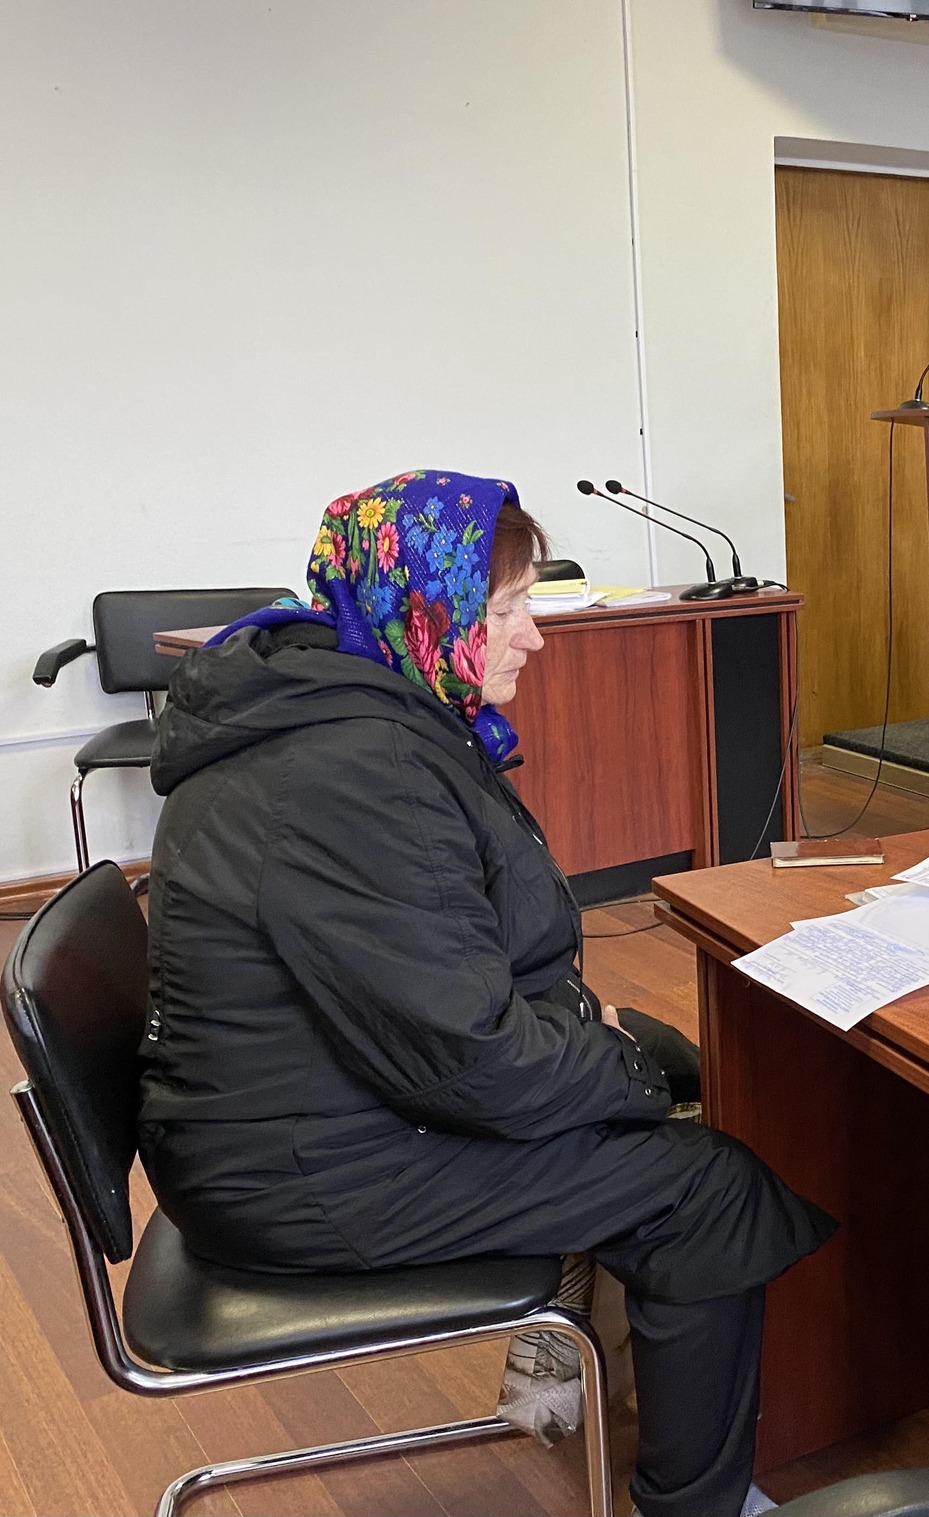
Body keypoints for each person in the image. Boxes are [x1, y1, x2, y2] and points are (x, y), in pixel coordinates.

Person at [140, 470, 832, 1517]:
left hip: (294, 1116)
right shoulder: (353, 768)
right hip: (306, 1173)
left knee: (676, 1069)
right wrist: (611, 1060)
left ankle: (581, 1370)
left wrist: (598, 1043)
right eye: (505, 609)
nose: (534, 636)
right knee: (707, 1185)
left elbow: (441, 983)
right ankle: (695, 1502)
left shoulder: (348, 709)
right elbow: (470, 1062)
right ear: (423, 610)